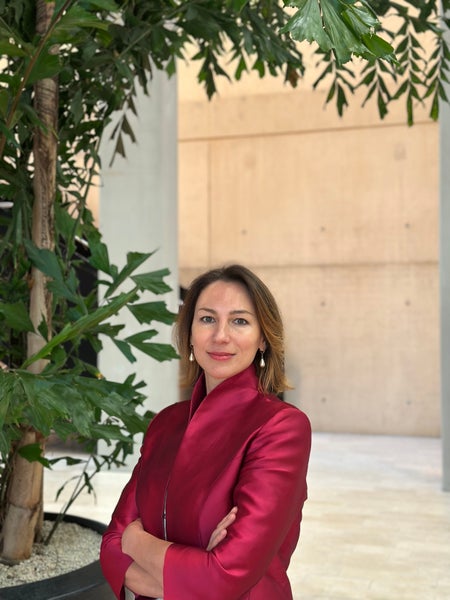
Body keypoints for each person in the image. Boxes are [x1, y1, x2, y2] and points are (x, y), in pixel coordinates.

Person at [100, 264, 311, 600]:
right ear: (189, 334)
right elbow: (111, 546)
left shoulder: (281, 428)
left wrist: (136, 541)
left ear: (263, 339)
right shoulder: (165, 424)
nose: (220, 336)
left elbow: (224, 575)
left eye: (239, 321)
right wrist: (194, 574)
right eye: (207, 319)